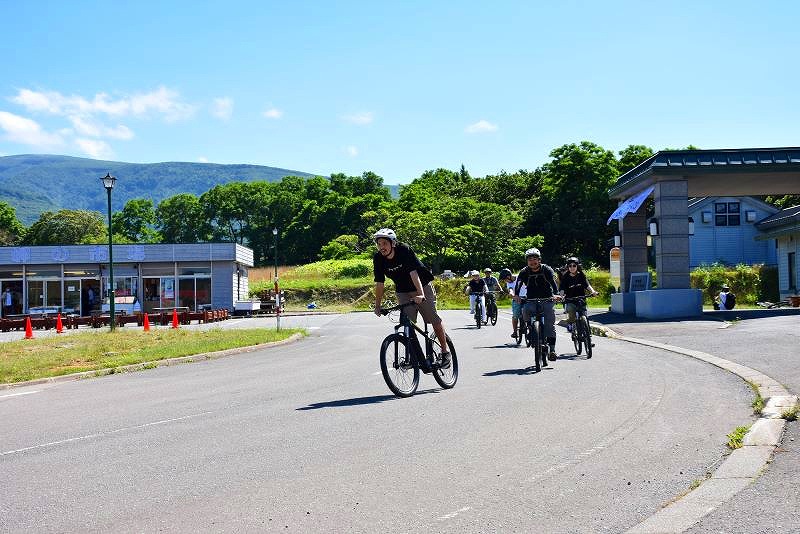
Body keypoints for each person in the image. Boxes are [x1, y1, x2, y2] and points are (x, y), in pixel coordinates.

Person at [372, 228, 452, 367]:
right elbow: (380, 283)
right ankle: (412, 358)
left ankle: (445, 353)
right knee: (407, 323)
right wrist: (377, 305)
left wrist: (420, 293)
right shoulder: (378, 258)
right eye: (379, 244)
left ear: (393, 243)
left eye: (384, 243)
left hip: (421, 286)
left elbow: (413, 273)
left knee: (433, 319)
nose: (381, 247)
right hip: (402, 290)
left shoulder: (404, 250)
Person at [514, 247, 562, 360]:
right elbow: (518, 284)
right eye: (529, 259)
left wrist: (556, 294)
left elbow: (553, 283)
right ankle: (530, 327)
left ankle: (552, 350)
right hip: (531, 299)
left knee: (550, 324)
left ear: (539, 260)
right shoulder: (524, 271)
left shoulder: (547, 269)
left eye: (534, 259)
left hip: (547, 299)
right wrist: (516, 295)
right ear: (527, 261)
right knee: (525, 310)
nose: (532, 262)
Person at [558, 256, 598, 331]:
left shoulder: (581, 275)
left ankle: (588, 337)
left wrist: (593, 291)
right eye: (570, 266)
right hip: (570, 300)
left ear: (577, 266)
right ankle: (571, 324)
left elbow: (587, 285)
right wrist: (561, 296)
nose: (572, 267)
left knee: (585, 316)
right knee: (571, 313)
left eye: (574, 265)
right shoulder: (565, 277)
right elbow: (562, 288)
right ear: (568, 267)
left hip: (581, 299)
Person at [499, 268, 525, 339]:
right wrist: (513, 296)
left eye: (505, 279)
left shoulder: (520, 277)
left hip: (528, 298)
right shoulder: (509, 283)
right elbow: (510, 290)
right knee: (515, 315)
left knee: (532, 312)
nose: (505, 281)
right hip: (516, 299)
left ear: (508, 276)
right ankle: (515, 331)